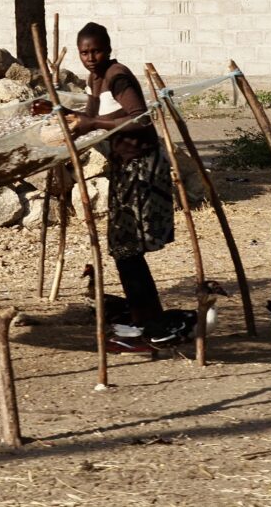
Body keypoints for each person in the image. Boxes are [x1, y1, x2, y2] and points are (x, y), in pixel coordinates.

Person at [57, 23, 175, 341]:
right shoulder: (94, 80)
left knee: (127, 248)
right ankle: (146, 319)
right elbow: (91, 114)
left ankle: (150, 323)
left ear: (108, 48)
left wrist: (91, 123)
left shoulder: (117, 76)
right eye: (84, 52)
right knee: (123, 248)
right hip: (125, 167)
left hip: (143, 167)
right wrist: (63, 114)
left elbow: (140, 117)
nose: (90, 57)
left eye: (96, 50)